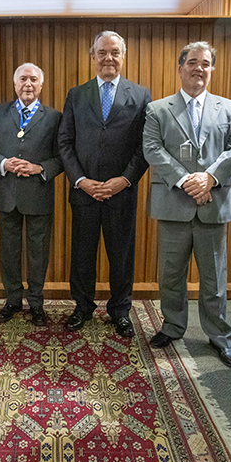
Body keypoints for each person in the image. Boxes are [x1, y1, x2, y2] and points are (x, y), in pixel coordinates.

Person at [143, 42, 231, 367]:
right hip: (174, 202)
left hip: (213, 203)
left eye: (205, 63)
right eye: (192, 62)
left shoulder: (230, 108)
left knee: (214, 278)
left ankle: (220, 337)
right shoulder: (158, 109)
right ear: (180, 67)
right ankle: (173, 326)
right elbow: (152, 149)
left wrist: (209, 179)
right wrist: (189, 181)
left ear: (212, 69)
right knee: (171, 274)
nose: (199, 68)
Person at [57, 31, 151, 338]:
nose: (108, 58)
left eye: (114, 52)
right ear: (92, 56)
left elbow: (144, 146)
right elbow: (65, 142)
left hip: (122, 192)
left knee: (121, 255)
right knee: (82, 253)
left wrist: (124, 180)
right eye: (102, 52)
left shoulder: (140, 95)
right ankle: (82, 307)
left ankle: (120, 310)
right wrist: (81, 181)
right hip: (85, 192)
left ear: (123, 57)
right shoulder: (77, 94)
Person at [0, 63, 63, 326]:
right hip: (6, 194)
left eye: (33, 79)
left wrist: (40, 168)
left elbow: (62, 157)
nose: (28, 84)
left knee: (38, 251)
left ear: (41, 85)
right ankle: (12, 300)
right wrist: (3, 163)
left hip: (38, 193)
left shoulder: (54, 117)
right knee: (9, 250)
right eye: (23, 79)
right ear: (15, 84)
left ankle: (36, 303)